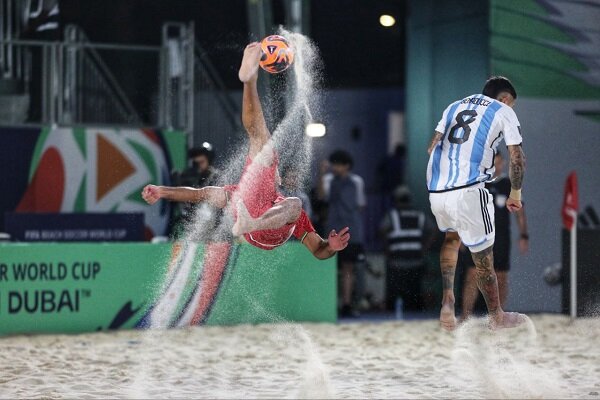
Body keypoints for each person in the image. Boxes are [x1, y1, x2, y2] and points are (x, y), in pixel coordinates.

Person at [142, 42, 349, 259]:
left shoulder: (269, 202)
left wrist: (331, 246)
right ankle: (249, 81)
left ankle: (249, 83)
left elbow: (319, 251)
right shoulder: (239, 194)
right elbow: (199, 194)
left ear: (277, 179)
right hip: (250, 226)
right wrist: (162, 191)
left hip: (264, 230)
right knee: (259, 139)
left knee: (290, 197)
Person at [426, 76, 527, 330]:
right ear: (504, 99)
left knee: (451, 238)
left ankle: (448, 300)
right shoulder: (502, 110)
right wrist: (516, 193)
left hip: (437, 190)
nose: (510, 108)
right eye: (511, 104)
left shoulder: (453, 106)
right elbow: (517, 158)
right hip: (468, 190)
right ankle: (497, 315)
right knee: (484, 260)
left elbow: (432, 146)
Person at [460, 152, 529, 319]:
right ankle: (465, 316)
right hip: (479, 237)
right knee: (473, 275)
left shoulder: (509, 185)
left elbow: (519, 213)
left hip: (501, 238)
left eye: (499, 163)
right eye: (493, 164)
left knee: (501, 277)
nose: (496, 167)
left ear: (503, 163)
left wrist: (524, 235)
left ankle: (497, 316)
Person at [318, 150, 366, 317]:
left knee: (349, 268)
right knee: (328, 266)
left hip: (351, 230)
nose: (334, 167)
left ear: (346, 166)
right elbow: (320, 196)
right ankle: (329, 303)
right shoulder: (328, 179)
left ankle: (346, 304)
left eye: (337, 164)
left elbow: (360, 205)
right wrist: (321, 174)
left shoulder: (357, 181)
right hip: (332, 229)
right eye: (333, 164)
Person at [379, 185, 432, 312]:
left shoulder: (392, 215)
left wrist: (387, 249)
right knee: (414, 294)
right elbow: (433, 230)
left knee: (395, 293)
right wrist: (424, 248)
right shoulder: (419, 214)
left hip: (397, 260)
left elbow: (382, 230)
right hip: (416, 260)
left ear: (396, 200)